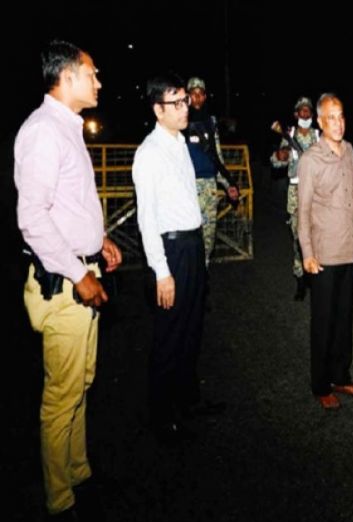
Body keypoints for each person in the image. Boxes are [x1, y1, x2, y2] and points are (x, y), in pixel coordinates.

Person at [14, 39, 122, 522]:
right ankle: (60, 502)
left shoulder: (66, 128)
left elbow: (68, 206)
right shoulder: (43, 132)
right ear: (68, 76)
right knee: (61, 395)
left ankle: (78, 473)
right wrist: (79, 274)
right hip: (64, 283)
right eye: (92, 73)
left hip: (81, 270)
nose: (99, 82)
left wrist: (99, 242)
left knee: (81, 382)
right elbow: (32, 219)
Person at [132, 73, 222, 446]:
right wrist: (161, 272)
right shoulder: (148, 153)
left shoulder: (181, 142)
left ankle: (187, 400)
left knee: (192, 328)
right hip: (172, 251)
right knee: (170, 334)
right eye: (177, 103)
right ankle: (161, 416)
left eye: (186, 101)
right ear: (158, 110)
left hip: (193, 244)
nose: (186, 108)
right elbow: (146, 219)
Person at [297, 93, 353, 410]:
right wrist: (307, 253)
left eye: (341, 116)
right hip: (324, 254)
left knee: (344, 319)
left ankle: (341, 376)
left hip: (348, 251)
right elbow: (302, 211)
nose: (338, 123)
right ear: (320, 121)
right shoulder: (310, 160)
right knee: (323, 322)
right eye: (331, 117)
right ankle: (320, 385)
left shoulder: (349, 150)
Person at [184, 76, 239, 266]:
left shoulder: (210, 122)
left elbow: (216, 157)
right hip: (187, 188)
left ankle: (203, 273)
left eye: (201, 94)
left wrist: (228, 183)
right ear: (187, 96)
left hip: (209, 187)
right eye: (193, 94)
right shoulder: (180, 122)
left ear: (205, 96)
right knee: (188, 240)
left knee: (207, 241)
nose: (197, 98)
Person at [271, 96, 320, 300]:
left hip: (317, 194)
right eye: (302, 110)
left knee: (318, 238)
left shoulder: (318, 136)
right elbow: (277, 161)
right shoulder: (288, 135)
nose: (305, 114)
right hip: (296, 193)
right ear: (296, 114)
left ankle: (316, 278)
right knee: (299, 240)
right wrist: (279, 156)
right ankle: (300, 280)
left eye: (308, 110)